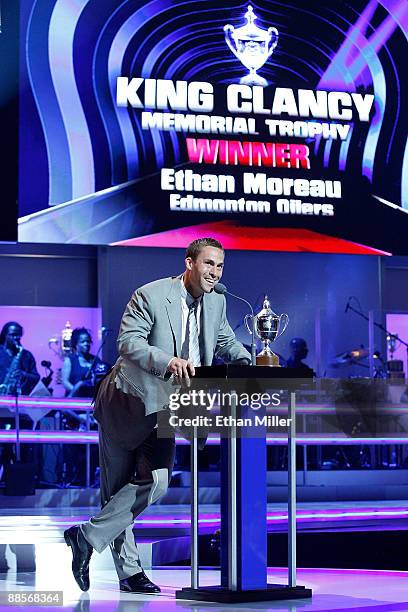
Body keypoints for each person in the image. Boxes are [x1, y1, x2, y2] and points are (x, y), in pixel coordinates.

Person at [64, 237, 251, 593]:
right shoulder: (150, 295)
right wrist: (169, 362)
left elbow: (224, 340)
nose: (215, 272)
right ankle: (130, 574)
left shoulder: (217, 303)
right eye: (209, 264)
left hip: (168, 408)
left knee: (157, 480)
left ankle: (85, 536)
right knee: (117, 489)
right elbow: (128, 343)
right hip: (128, 401)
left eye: (220, 265)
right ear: (190, 263)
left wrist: (252, 362)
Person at [0, 322, 39, 396]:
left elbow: (36, 378)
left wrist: (24, 374)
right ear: (5, 335)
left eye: (19, 335)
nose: (16, 338)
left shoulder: (27, 355)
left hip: (19, 397)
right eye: (13, 335)